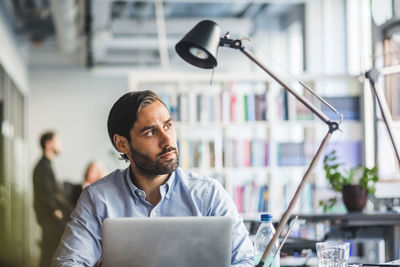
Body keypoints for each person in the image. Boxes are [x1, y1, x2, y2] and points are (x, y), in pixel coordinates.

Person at [52, 90, 254, 266]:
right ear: (122, 144)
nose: (167, 140)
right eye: (151, 132)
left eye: (168, 126)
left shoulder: (208, 194)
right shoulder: (98, 198)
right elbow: (69, 262)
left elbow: (244, 260)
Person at [33, 131, 72, 267]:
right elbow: (46, 194)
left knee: (48, 253)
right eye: (58, 141)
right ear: (49, 144)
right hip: (50, 218)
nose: (60, 145)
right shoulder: (43, 167)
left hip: (50, 218)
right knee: (51, 253)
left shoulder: (46, 165)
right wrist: (56, 211)